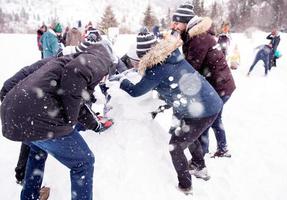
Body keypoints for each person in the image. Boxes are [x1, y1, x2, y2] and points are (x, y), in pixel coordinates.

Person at [110, 30, 223, 194]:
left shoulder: (157, 69)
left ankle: (185, 186)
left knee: (175, 146)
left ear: (145, 56)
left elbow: (135, 91)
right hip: (204, 103)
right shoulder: (169, 57)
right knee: (188, 135)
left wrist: (122, 81)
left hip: (202, 110)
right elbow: (169, 85)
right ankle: (199, 167)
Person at [0, 42, 115, 199]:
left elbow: (73, 97)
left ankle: (29, 196)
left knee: (37, 150)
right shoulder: (100, 60)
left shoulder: (58, 62)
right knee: (84, 162)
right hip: (40, 117)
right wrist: (70, 121)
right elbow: (75, 76)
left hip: (15, 114)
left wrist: (94, 124)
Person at [171, 3, 236, 157]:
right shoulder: (193, 36)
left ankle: (203, 154)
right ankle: (222, 148)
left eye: (177, 22)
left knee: (205, 121)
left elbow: (191, 67)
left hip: (219, 86)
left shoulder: (198, 38)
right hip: (221, 84)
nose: (174, 26)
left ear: (186, 22)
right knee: (215, 118)